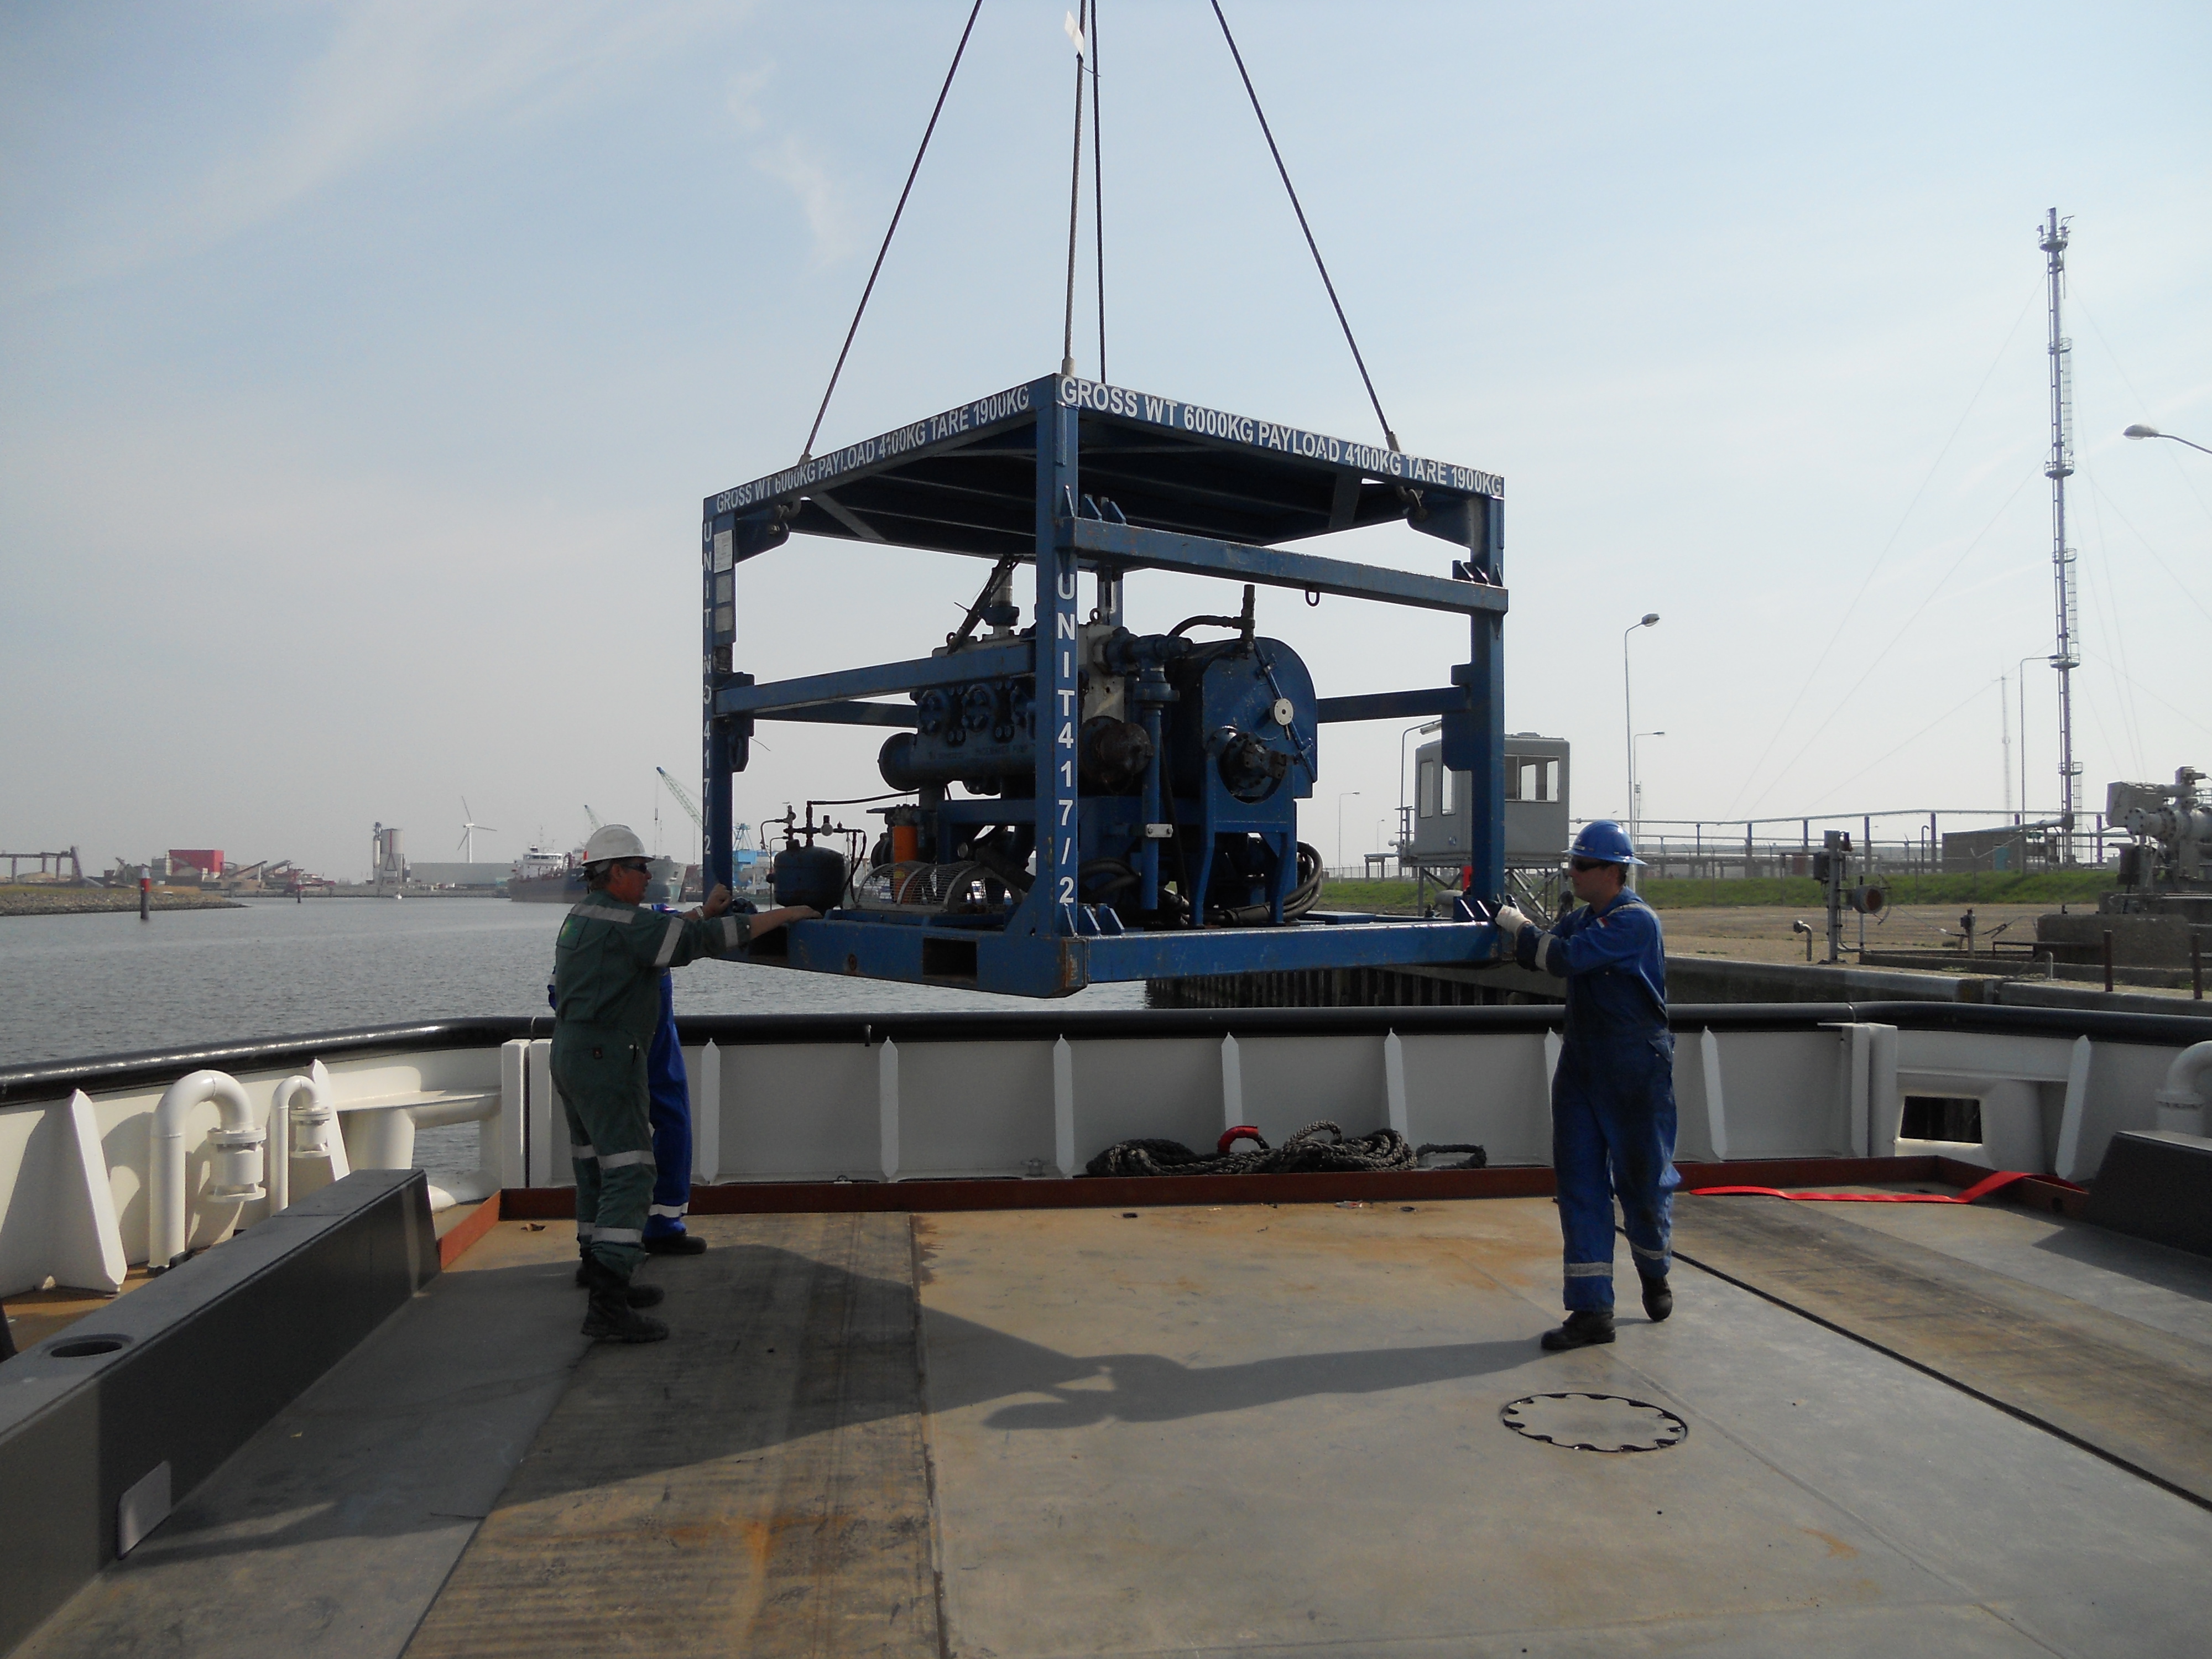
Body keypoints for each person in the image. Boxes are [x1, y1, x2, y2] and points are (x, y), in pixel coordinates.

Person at [553, 825, 815, 1342]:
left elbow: (662, 934)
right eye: (641, 868)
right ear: (617, 874)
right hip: (608, 1058)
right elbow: (693, 943)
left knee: (593, 1164)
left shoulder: (584, 916)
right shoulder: (627, 923)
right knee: (631, 1170)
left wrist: (703, 909)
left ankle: (595, 1268)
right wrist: (783, 916)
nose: (650, 876)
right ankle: (608, 1307)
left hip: (572, 1052)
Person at [1492, 821, 1677, 1350]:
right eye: (1572, 864)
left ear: (1614, 872)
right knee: (1579, 1184)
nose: (1571, 873)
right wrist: (1514, 931)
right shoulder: (1584, 917)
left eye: (1582, 866)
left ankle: (1654, 1268)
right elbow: (1547, 950)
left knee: (1642, 1182)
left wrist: (1520, 926)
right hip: (1583, 1065)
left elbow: (1564, 958)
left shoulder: (1635, 923)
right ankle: (1592, 1311)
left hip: (1635, 1067)